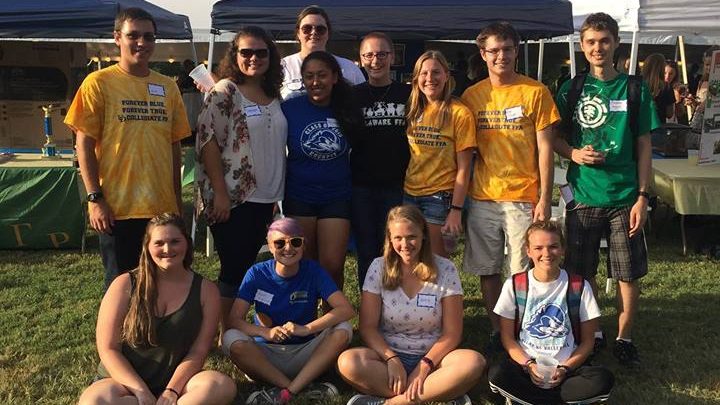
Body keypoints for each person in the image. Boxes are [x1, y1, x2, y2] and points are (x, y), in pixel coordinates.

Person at [554, 12, 660, 366]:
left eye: (604, 41)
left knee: (627, 272)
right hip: (582, 194)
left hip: (625, 196)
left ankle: (624, 337)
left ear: (615, 43)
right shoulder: (571, 88)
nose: (597, 48)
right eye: (590, 42)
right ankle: (593, 332)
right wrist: (573, 153)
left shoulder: (635, 87)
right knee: (582, 272)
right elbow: (552, 138)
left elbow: (644, 144)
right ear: (582, 47)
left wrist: (643, 196)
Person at [65, 8, 191, 289]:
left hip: (161, 210)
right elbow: (83, 145)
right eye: (133, 35)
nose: (141, 43)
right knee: (122, 287)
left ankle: (155, 334)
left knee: (162, 284)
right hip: (117, 209)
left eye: (148, 37)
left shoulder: (168, 87)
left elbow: (173, 146)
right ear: (117, 38)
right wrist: (95, 199)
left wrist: (177, 202)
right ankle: (121, 335)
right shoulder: (98, 83)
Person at [460, 21, 559, 351]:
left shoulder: (536, 92)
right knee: (487, 270)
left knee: (520, 271)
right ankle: (494, 329)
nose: (501, 55)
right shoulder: (472, 97)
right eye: (494, 50)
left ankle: (518, 329)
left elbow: (546, 148)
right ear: (483, 54)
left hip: (522, 197)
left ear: (516, 51)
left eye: (507, 49)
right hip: (482, 197)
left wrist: (545, 197)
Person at [78, 213, 236, 405]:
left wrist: (171, 391)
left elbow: (198, 351)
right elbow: (109, 349)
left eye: (175, 241)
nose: (167, 249)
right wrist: (142, 392)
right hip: (124, 384)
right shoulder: (125, 284)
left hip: (176, 383)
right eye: (159, 243)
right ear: (147, 247)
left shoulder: (206, 290)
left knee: (221, 385)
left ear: (187, 243)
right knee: (93, 401)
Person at [337, 205, 485, 405]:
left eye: (411, 236)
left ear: (423, 235)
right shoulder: (378, 267)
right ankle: (439, 392)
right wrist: (392, 359)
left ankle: (393, 402)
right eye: (398, 238)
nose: (405, 244)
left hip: (435, 359)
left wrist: (424, 366)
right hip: (387, 358)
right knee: (347, 362)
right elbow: (368, 327)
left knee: (473, 362)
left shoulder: (446, 269)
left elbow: (452, 333)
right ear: (390, 238)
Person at [195, 26, 287, 326]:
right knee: (235, 269)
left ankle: (237, 328)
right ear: (235, 56)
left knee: (249, 266)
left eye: (261, 52)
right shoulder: (225, 91)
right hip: (234, 196)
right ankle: (225, 333)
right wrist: (221, 193)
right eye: (246, 52)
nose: (254, 58)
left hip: (267, 197)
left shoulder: (273, 93)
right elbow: (208, 142)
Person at [221, 217, 355, 405]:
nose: (288, 248)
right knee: (230, 338)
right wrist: (266, 333)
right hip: (265, 354)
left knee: (344, 328)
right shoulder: (257, 273)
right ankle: (298, 387)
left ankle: (287, 391)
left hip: (307, 354)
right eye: (279, 243)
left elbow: (346, 310)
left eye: (295, 242)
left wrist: (307, 328)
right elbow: (234, 320)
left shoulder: (313, 271)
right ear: (269, 245)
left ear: (304, 245)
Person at [488, 221, 614, 404]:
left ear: (563, 249)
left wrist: (565, 368)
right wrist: (529, 365)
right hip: (526, 367)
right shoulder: (515, 285)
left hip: (567, 369)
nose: (546, 254)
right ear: (528, 251)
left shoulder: (579, 286)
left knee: (603, 379)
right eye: (538, 248)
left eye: (553, 247)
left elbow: (588, 342)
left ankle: (528, 400)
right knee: (497, 374)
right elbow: (507, 338)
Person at [281, 50, 364, 293]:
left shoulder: (348, 108)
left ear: (335, 77)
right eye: (309, 76)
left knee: (332, 265)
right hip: (299, 195)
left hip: (336, 196)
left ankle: (331, 320)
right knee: (304, 263)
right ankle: (306, 320)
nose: (315, 82)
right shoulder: (289, 109)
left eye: (322, 75)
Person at [351, 32, 412, 292]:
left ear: (392, 57)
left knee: (398, 247)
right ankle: (370, 303)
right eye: (369, 55)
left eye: (381, 54)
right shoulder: (351, 96)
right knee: (367, 249)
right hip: (361, 184)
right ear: (361, 59)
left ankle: (397, 301)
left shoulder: (408, 94)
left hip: (398, 184)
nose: (375, 60)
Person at [403, 50, 476, 257]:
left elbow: (465, 167)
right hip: (410, 194)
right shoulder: (414, 109)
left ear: (446, 75)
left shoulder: (459, 113)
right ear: (416, 78)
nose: (430, 79)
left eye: (436, 72)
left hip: (440, 197)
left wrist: (456, 210)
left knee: (437, 262)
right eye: (424, 73)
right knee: (412, 258)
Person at [280, 5, 365, 100]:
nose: (313, 32)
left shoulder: (349, 68)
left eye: (320, 29)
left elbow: (363, 104)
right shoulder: (282, 67)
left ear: (328, 34)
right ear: (298, 33)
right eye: (307, 29)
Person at [642, 53, 675, 123]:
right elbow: (669, 114)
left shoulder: (637, 84)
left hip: (640, 126)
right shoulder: (667, 87)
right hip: (658, 125)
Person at [664, 60, 688, 125]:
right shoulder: (657, 87)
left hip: (673, 124)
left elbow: (681, 113)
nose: (667, 77)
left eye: (671, 74)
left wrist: (678, 100)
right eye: (664, 73)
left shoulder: (679, 88)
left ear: (675, 75)